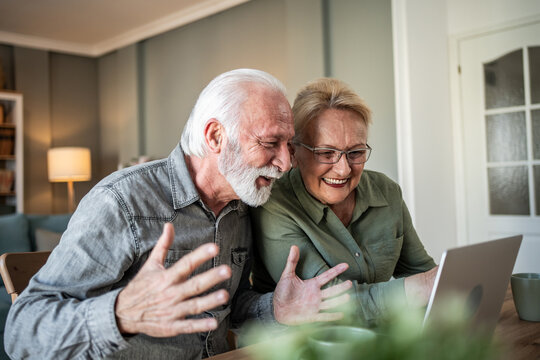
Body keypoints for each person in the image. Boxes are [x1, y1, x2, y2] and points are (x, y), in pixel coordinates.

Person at [5, 69, 352, 359]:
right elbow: (22, 332)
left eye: (288, 145)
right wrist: (120, 314)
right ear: (215, 136)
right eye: (269, 144)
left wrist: (274, 308)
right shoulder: (123, 201)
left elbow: (226, 307)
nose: (285, 162)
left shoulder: (242, 205)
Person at [251, 77, 438, 325]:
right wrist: (423, 286)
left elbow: (423, 273)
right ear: (294, 153)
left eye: (356, 153)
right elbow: (328, 302)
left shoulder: (387, 191)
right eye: (326, 153)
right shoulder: (274, 204)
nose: (343, 170)